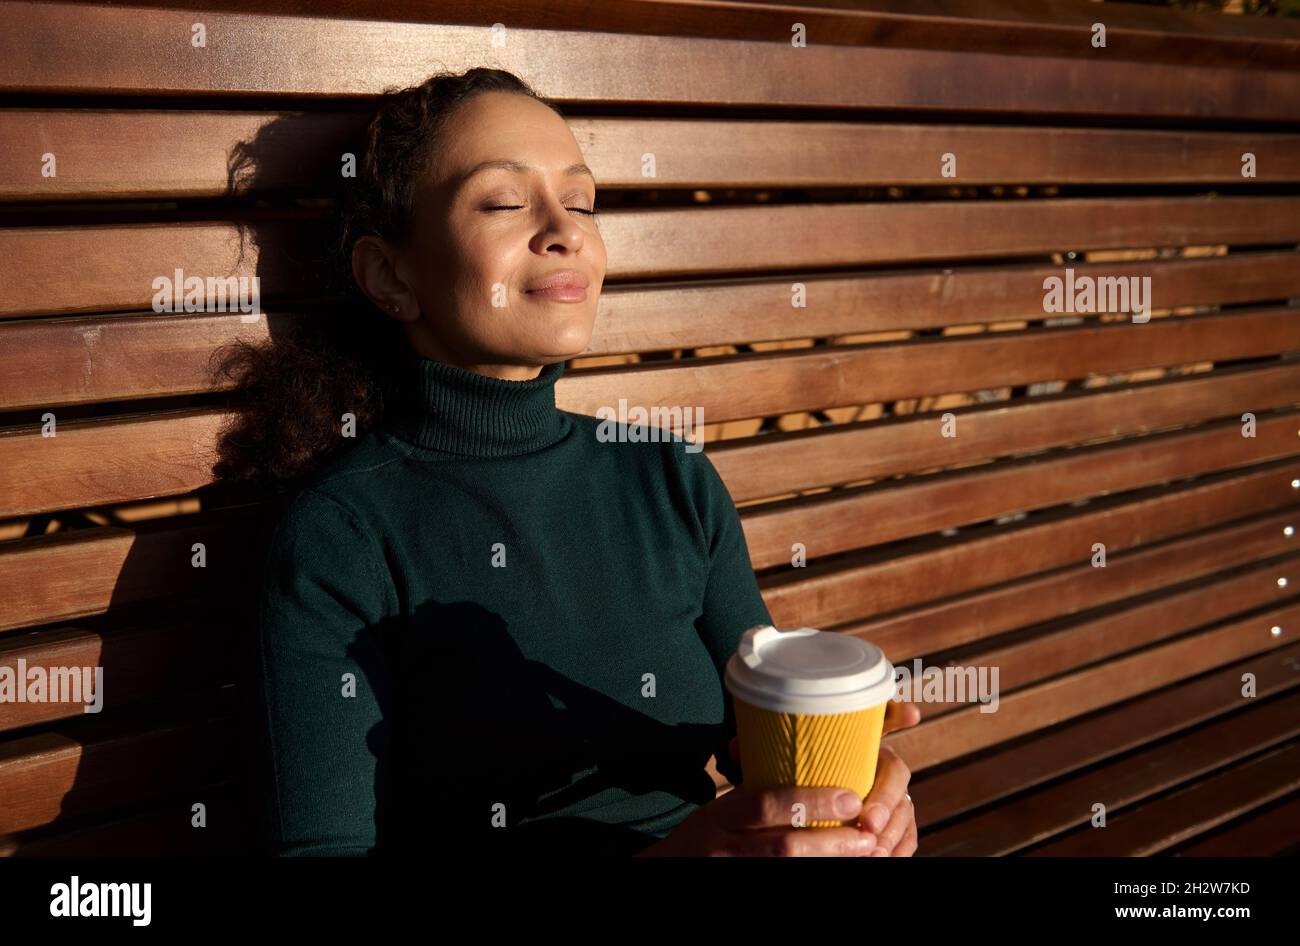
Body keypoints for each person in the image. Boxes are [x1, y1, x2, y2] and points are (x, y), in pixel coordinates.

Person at [220, 67, 920, 857]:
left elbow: (754, 742)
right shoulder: (342, 536)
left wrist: (850, 792)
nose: (566, 230)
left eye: (583, 202)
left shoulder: (670, 479)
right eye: (505, 202)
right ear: (392, 276)